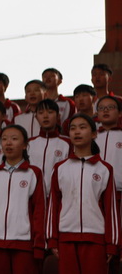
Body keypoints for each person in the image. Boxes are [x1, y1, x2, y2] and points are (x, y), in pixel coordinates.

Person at [47, 114, 119, 274]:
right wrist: (52, 239)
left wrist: (112, 244)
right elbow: (53, 205)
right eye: (72, 128)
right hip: (66, 238)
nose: (77, 132)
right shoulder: (60, 168)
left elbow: (111, 210)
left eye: (82, 127)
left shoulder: (105, 169)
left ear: (93, 134)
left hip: (96, 238)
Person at [0, 125, 45, 273]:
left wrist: (38, 246)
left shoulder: (34, 173)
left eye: (14, 139)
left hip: (25, 244)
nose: (8, 143)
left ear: (25, 145)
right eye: (4, 139)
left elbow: (39, 211)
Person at [27, 99, 71, 198]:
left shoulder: (68, 143)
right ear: (36, 117)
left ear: (58, 116)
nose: (45, 116)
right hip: (33, 196)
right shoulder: (28, 143)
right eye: (41, 113)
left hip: (58, 196)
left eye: (50, 112)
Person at [94, 96, 122, 196]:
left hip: (119, 190)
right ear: (97, 113)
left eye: (110, 107)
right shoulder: (91, 137)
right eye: (101, 108)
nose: (105, 110)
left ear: (120, 113)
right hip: (95, 191)